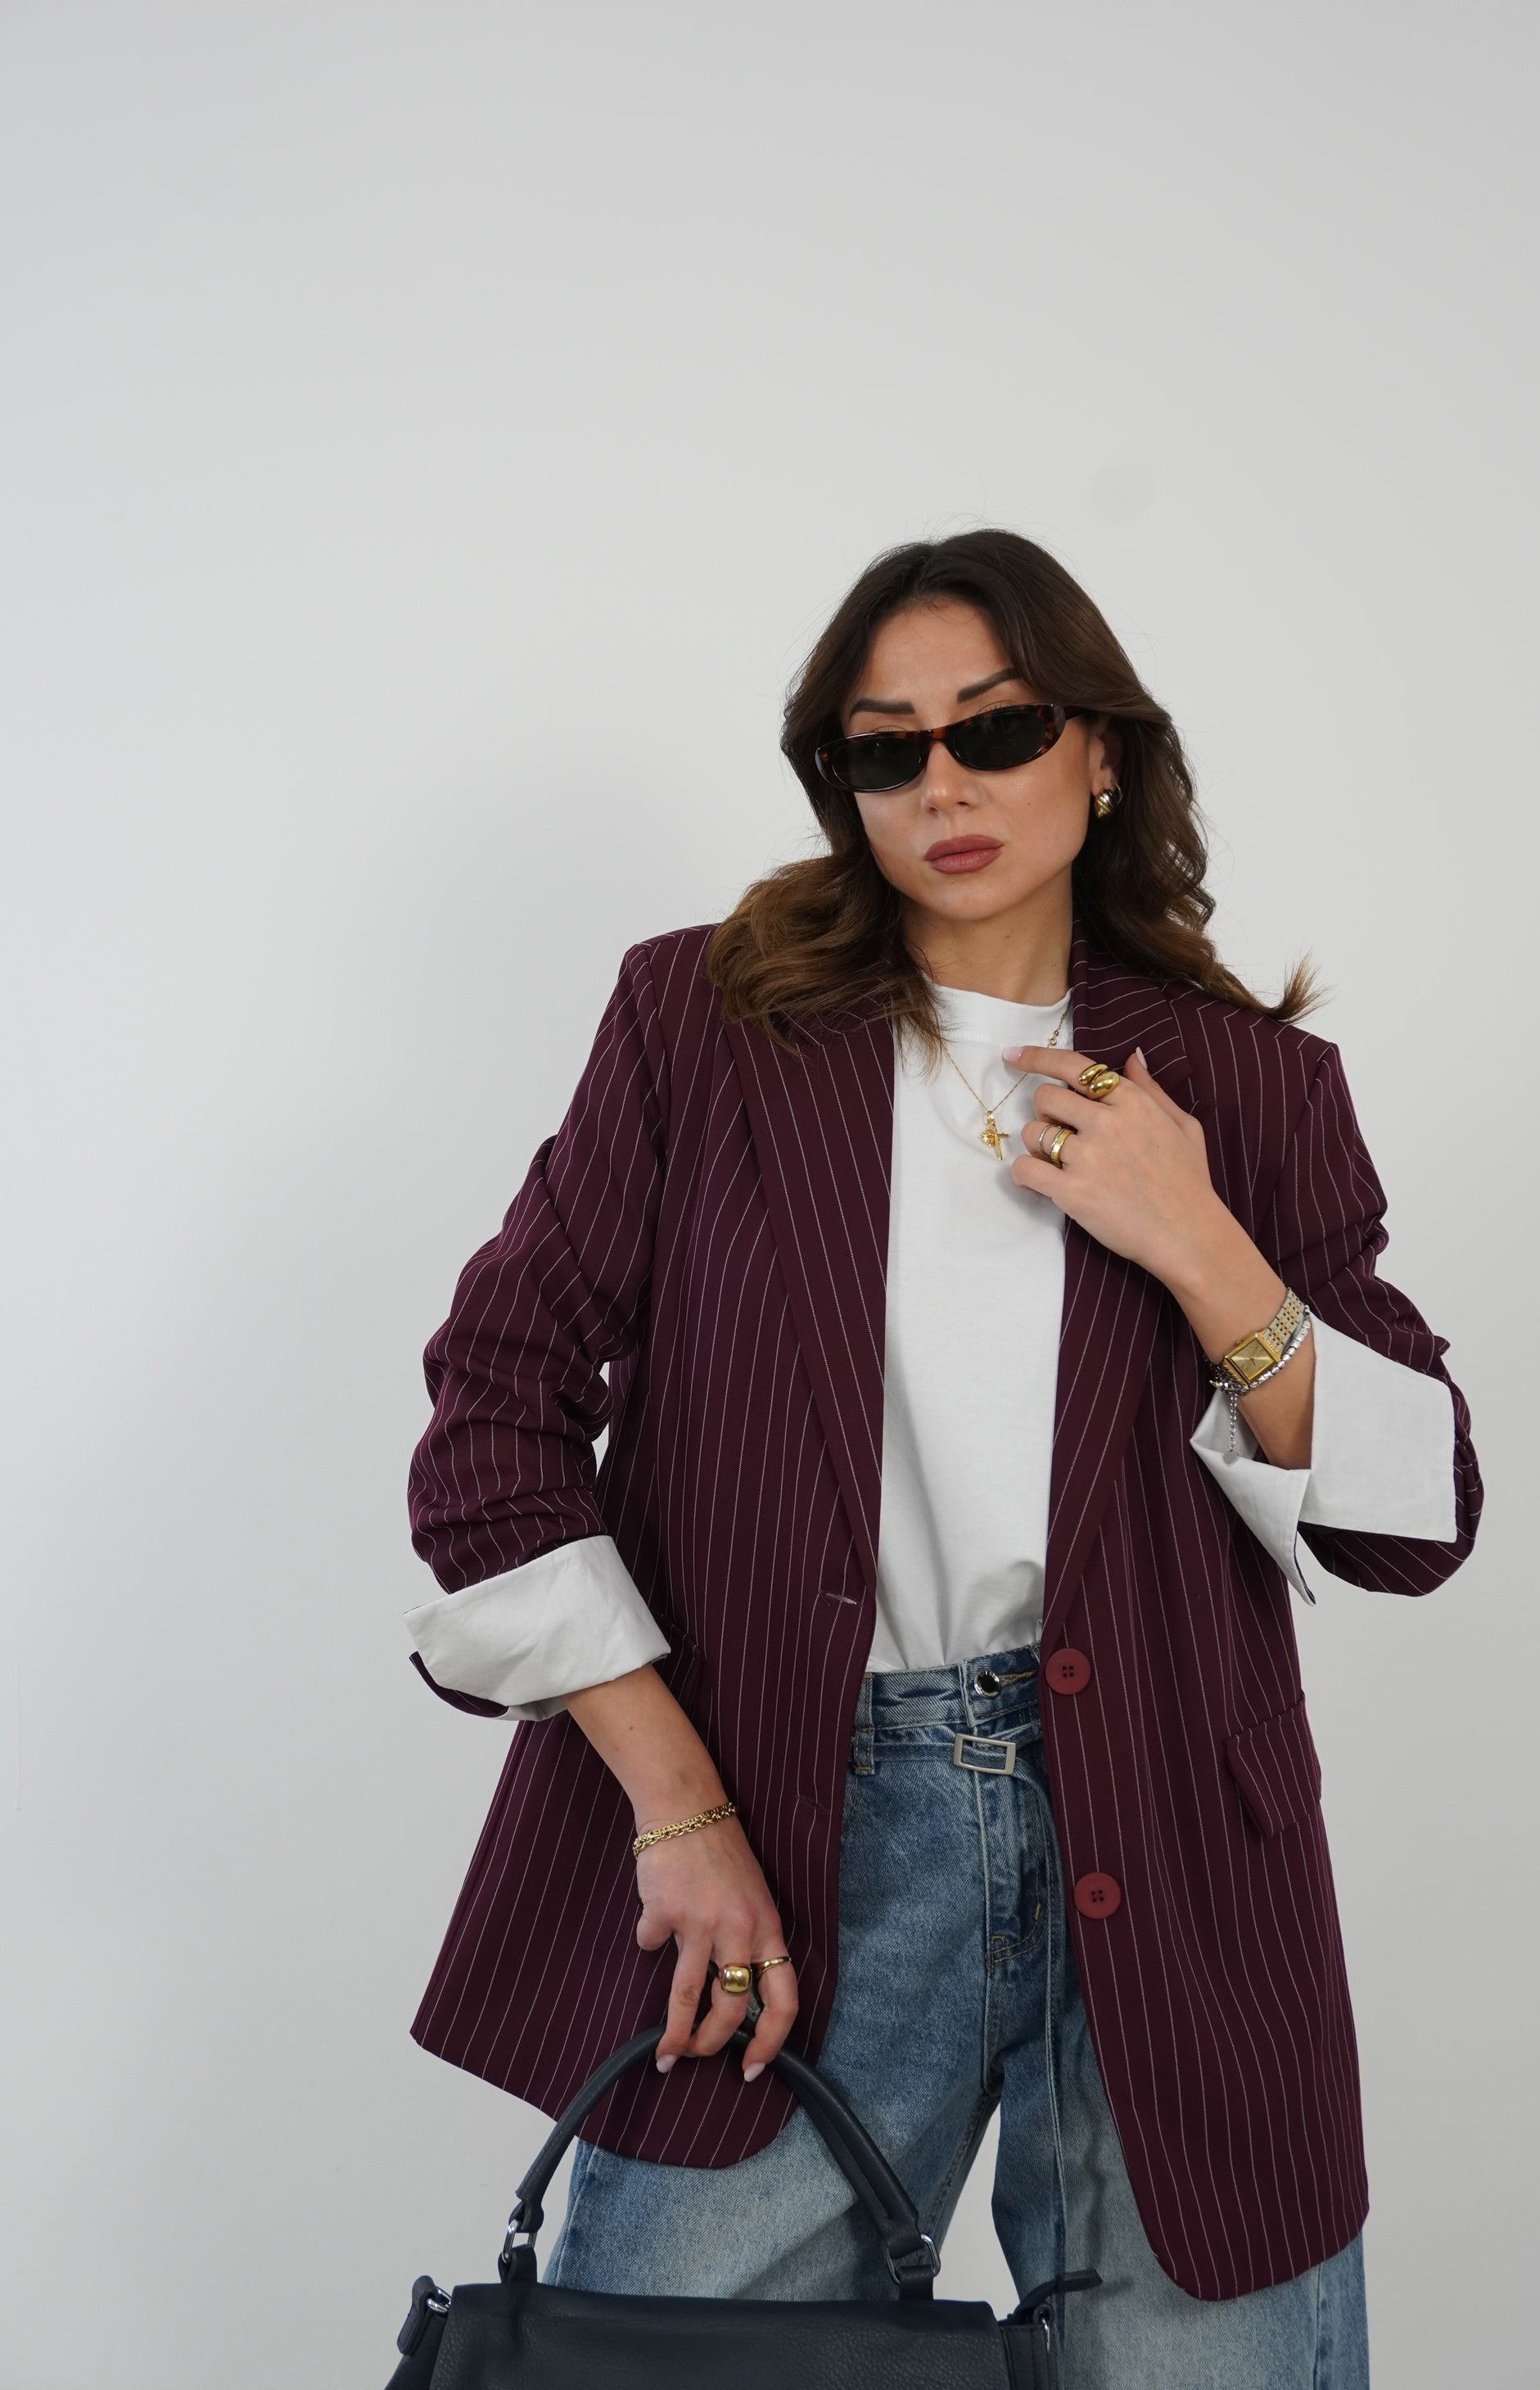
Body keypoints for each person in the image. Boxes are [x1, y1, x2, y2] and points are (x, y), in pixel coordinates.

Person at [404, 529, 1479, 2388]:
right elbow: (493, 1415)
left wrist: (1200, 1242)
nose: (943, 786)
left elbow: (1415, 1515)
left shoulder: (1246, 1084)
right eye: (884, 748)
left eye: (993, 728)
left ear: (1101, 748)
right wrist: (679, 1809)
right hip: (782, 1830)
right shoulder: (702, 1024)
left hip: (1172, 1846)